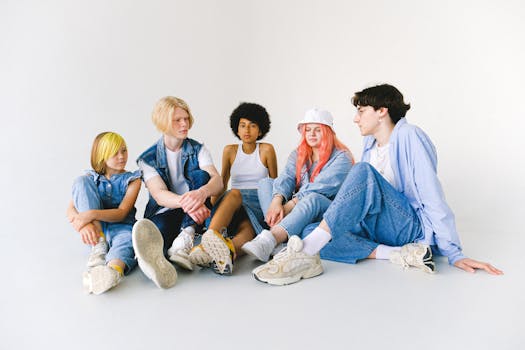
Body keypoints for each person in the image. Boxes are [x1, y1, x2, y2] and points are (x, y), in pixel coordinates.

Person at [253, 84, 503, 286]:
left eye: (361, 111)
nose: (355, 118)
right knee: (307, 230)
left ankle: (304, 255)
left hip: (408, 226)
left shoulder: (409, 136)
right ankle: (398, 254)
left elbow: (432, 195)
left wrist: (454, 252)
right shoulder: (370, 146)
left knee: (361, 172)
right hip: (380, 229)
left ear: (382, 111)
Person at [242, 108, 354, 264]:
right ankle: (277, 240)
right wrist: (276, 201)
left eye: (318, 130)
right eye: (308, 130)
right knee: (265, 183)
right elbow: (287, 177)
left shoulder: (342, 157)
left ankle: (270, 238)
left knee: (313, 198)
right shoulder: (299, 153)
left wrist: (288, 206)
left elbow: (320, 187)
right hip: (297, 210)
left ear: (328, 132)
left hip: (325, 208)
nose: (312, 134)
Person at [132, 96, 222, 289]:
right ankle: (162, 259)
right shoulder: (147, 159)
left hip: (198, 211)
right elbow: (159, 194)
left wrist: (201, 194)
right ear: (164, 123)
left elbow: (217, 181)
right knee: (156, 229)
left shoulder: (198, 149)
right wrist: (190, 203)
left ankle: (185, 237)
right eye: (177, 120)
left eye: (186, 118)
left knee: (202, 176)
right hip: (174, 210)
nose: (184, 124)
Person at [188, 102, 278, 275]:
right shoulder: (229, 151)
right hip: (233, 200)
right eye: (242, 125)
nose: (247, 130)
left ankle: (227, 252)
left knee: (248, 230)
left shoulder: (267, 149)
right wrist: (210, 209)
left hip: (257, 201)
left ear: (260, 130)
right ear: (236, 129)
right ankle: (209, 240)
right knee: (234, 193)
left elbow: (274, 184)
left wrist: (276, 210)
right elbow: (222, 182)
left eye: (252, 126)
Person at [67, 132, 141, 294]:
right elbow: (70, 210)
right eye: (115, 153)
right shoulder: (90, 178)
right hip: (96, 230)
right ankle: (99, 246)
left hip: (122, 226)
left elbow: (122, 213)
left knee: (126, 242)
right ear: (102, 156)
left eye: (124, 150)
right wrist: (83, 226)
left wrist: (91, 214)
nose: (122, 156)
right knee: (80, 181)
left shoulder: (133, 180)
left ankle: (112, 272)